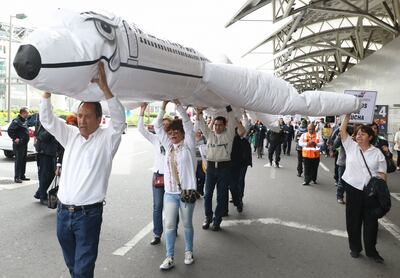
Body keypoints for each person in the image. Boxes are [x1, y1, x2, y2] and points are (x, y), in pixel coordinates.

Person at [39, 62, 126, 277]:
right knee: (73, 266)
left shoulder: (107, 140)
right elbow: (47, 120)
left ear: (99, 119)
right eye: (80, 115)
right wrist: (47, 91)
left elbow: (120, 121)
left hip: (87, 216)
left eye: (88, 116)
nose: (82, 120)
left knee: (83, 268)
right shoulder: (70, 136)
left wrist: (105, 88)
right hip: (62, 214)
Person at [155, 100, 196, 270]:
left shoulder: (189, 146)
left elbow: (187, 123)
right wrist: (163, 106)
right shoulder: (168, 146)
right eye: (170, 132)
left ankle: (188, 252)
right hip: (170, 193)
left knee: (186, 224)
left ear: (182, 134)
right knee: (170, 225)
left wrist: (179, 105)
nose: (172, 135)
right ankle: (169, 257)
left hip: (187, 192)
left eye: (175, 132)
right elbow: (157, 126)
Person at [339, 114, 387, 263]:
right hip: (353, 190)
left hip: (370, 193)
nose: (358, 135)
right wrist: (347, 116)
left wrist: (380, 191)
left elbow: (382, 174)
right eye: (358, 133)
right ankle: (355, 248)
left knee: (371, 223)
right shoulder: (351, 146)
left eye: (363, 134)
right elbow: (342, 131)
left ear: (370, 137)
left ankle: (372, 251)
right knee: (353, 220)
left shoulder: (377, 153)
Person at [196, 105, 241, 231]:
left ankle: (217, 221)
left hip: (224, 169)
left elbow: (232, 122)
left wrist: (229, 108)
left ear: (224, 125)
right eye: (215, 125)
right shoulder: (210, 135)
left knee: (221, 196)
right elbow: (203, 125)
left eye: (220, 125)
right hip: (210, 169)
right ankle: (208, 217)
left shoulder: (229, 135)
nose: (217, 127)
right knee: (208, 194)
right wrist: (198, 113)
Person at [138, 102, 173, 245]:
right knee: (157, 206)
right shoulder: (155, 139)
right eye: (162, 125)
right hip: (158, 176)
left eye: (166, 125)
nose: (163, 127)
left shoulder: (173, 140)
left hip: (171, 178)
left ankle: (173, 228)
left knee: (172, 206)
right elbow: (141, 130)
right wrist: (142, 111)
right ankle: (157, 234)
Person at [33, 114, 61, 206]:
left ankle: (39, 192)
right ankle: (42, 196)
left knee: (51, 174)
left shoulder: (49, 125)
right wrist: (52, 130)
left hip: (50, 153)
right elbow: (42, 136)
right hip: (44, 153)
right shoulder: (44, 124)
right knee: (44, 175)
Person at [8, 107, 31, 183]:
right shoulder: (16, 121)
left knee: (23, 160)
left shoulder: (24, 121)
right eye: (27, 113)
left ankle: (22, 176)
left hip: (24, 144)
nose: (28, 114)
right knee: (18, 161)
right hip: (19, 145)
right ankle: (17, 177)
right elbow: (10, 130)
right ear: (23, 113)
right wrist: (15, 138)